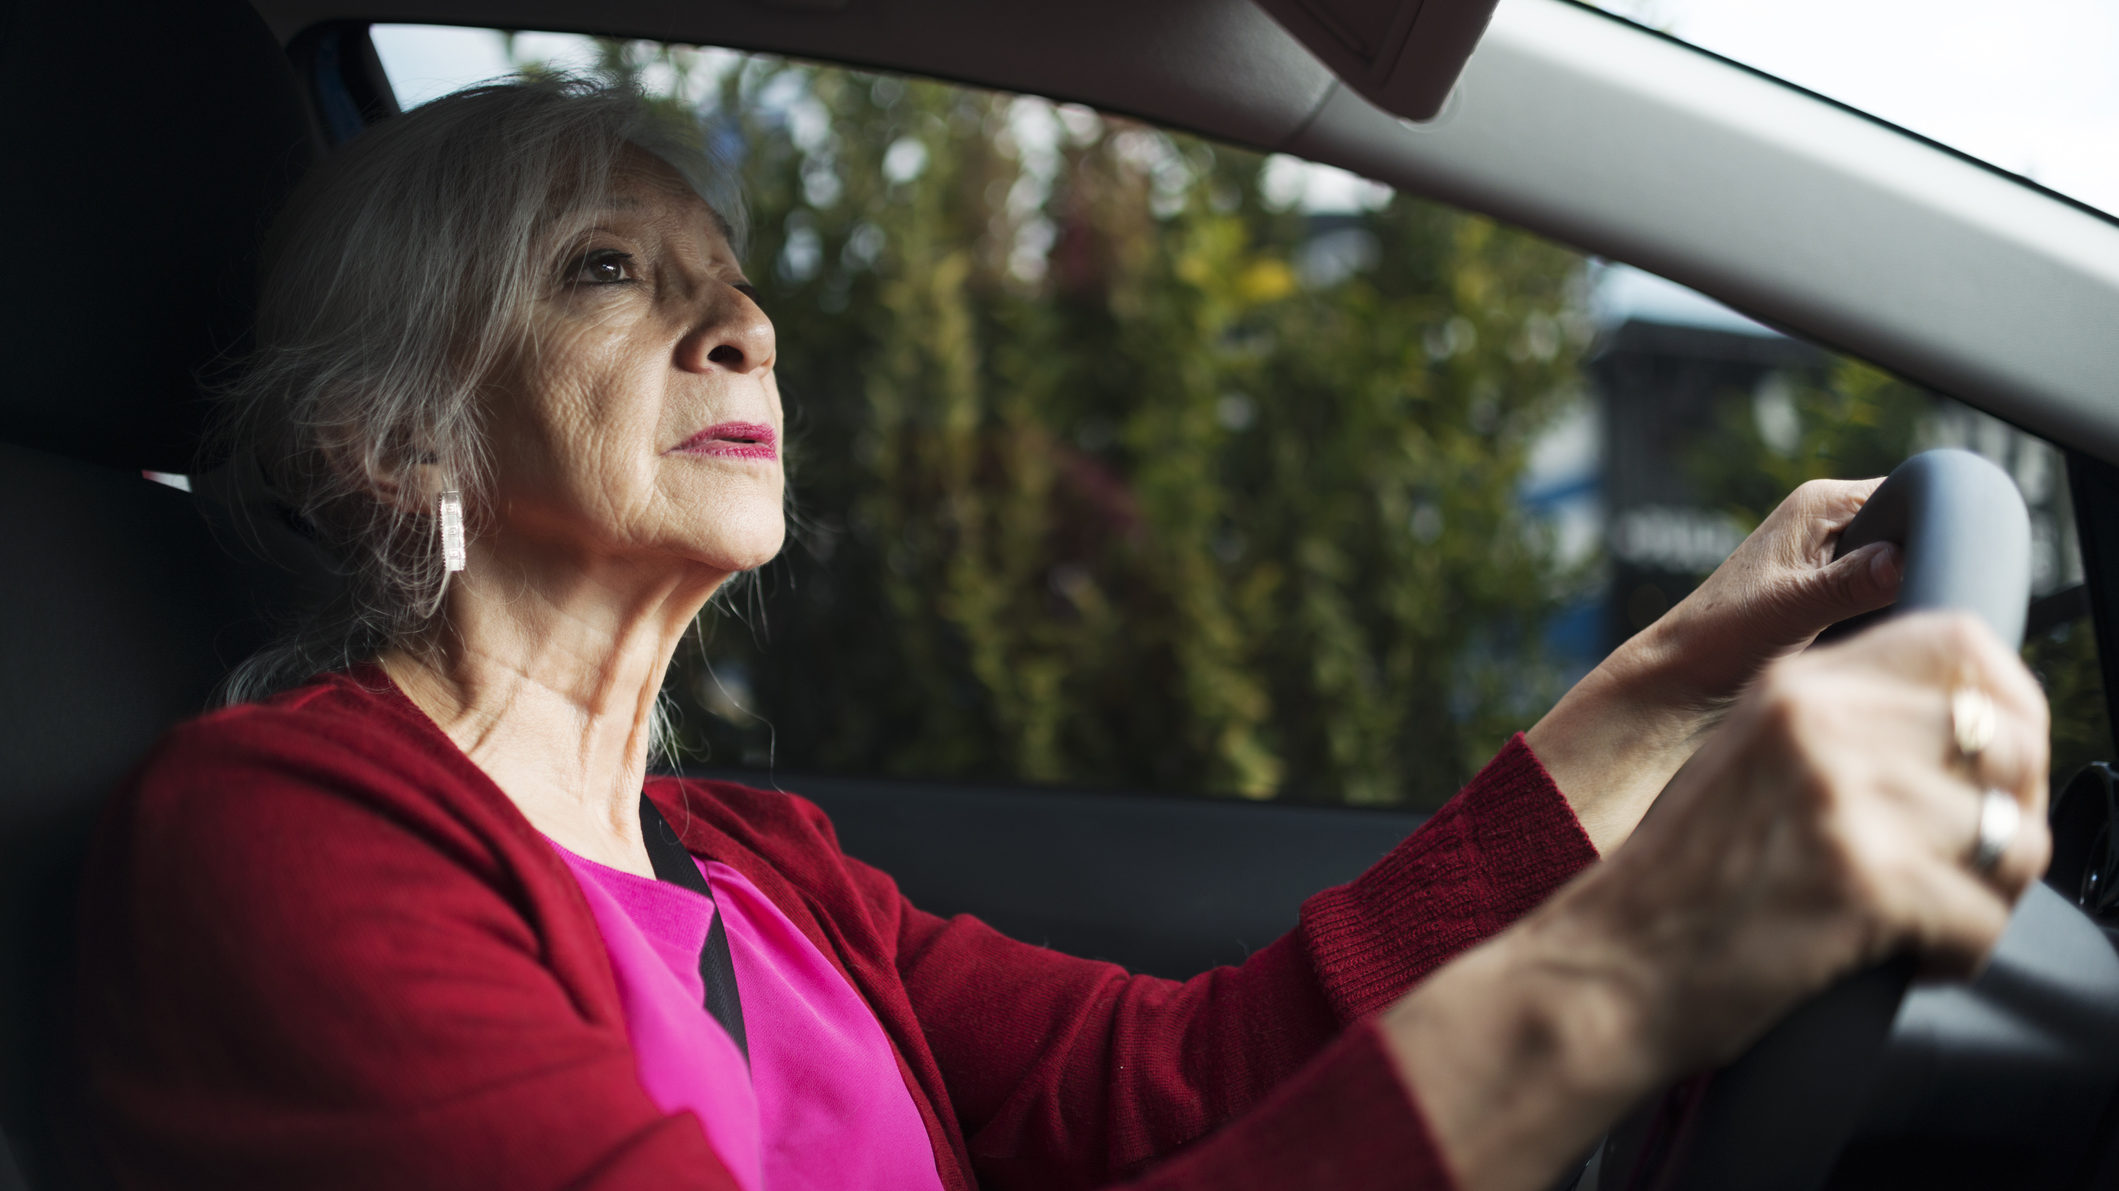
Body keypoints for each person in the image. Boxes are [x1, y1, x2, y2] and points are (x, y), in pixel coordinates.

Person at [71, 77, 2051, 1191]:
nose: (740, 327)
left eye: (735, 287)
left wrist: (1654, 692)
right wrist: (1621, 976)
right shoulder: (280, 838)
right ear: (378, 426)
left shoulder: (765, 873)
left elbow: (1180, 1083)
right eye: (607, 272)